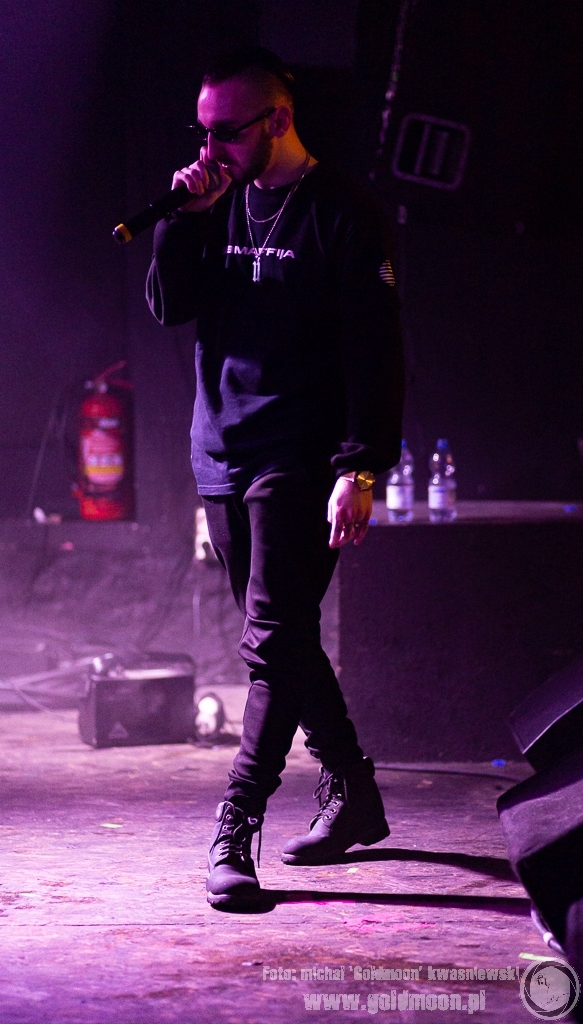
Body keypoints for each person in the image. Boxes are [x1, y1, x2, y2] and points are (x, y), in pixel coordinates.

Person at [146, 47, 405, 909]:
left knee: (270, 640)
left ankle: (235, 824)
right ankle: (352, 788)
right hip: (220, 446)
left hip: (301, 452)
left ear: (278, 120)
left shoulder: (342, 211)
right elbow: (168, 305)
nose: (209, 148)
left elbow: (376, 351)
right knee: (281, 639)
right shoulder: (213, 201)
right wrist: (182, 219)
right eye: (202, 130)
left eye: (225, 131)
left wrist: (360, 465)